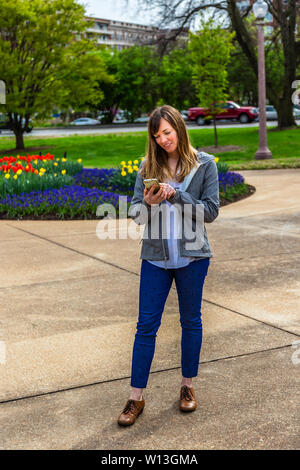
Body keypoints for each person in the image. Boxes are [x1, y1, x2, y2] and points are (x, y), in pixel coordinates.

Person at [117, 105, 219, 426]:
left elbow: (211, 211)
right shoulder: (149, 166)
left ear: (178, 128)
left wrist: (177, 196)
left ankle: (187, 387)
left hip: (193, 259)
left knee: (191, 322)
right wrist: (147, 203)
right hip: (155, 259)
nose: (163, 140)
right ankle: (136, 398)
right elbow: (134, 214)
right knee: (146, 326)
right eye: (157, 135)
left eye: (167, 132)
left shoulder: (204, 165)